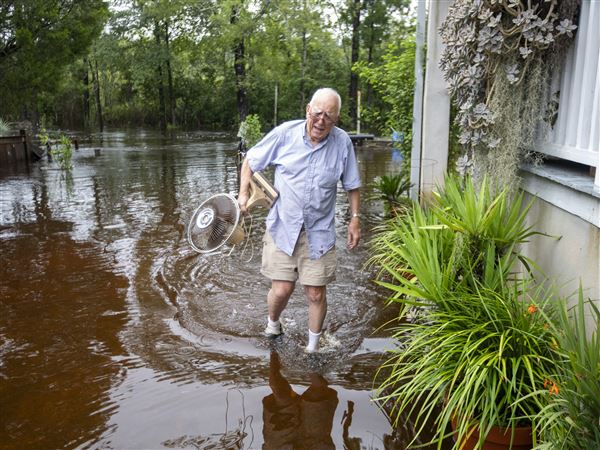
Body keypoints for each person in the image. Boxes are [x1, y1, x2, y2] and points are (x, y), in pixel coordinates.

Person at [238, 87, 361, 353]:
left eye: (329, 115)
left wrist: (354, 219)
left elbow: (352, 184)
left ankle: (313, 348)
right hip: (283, 225)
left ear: (336, 119)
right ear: (308, 109)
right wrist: (243, 194)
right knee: (281, 290)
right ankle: (273, 324)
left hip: (319, 231)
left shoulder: (342, 143)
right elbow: (250, 160)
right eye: (318, 112)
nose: (321, 120)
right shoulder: (285, 134)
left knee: (315, 293)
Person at [262, 351, 338, 449]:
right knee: (316, 395)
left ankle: (275, 348)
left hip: (284, 444)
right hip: (312, 442)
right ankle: (275, 348)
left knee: (282, 397)